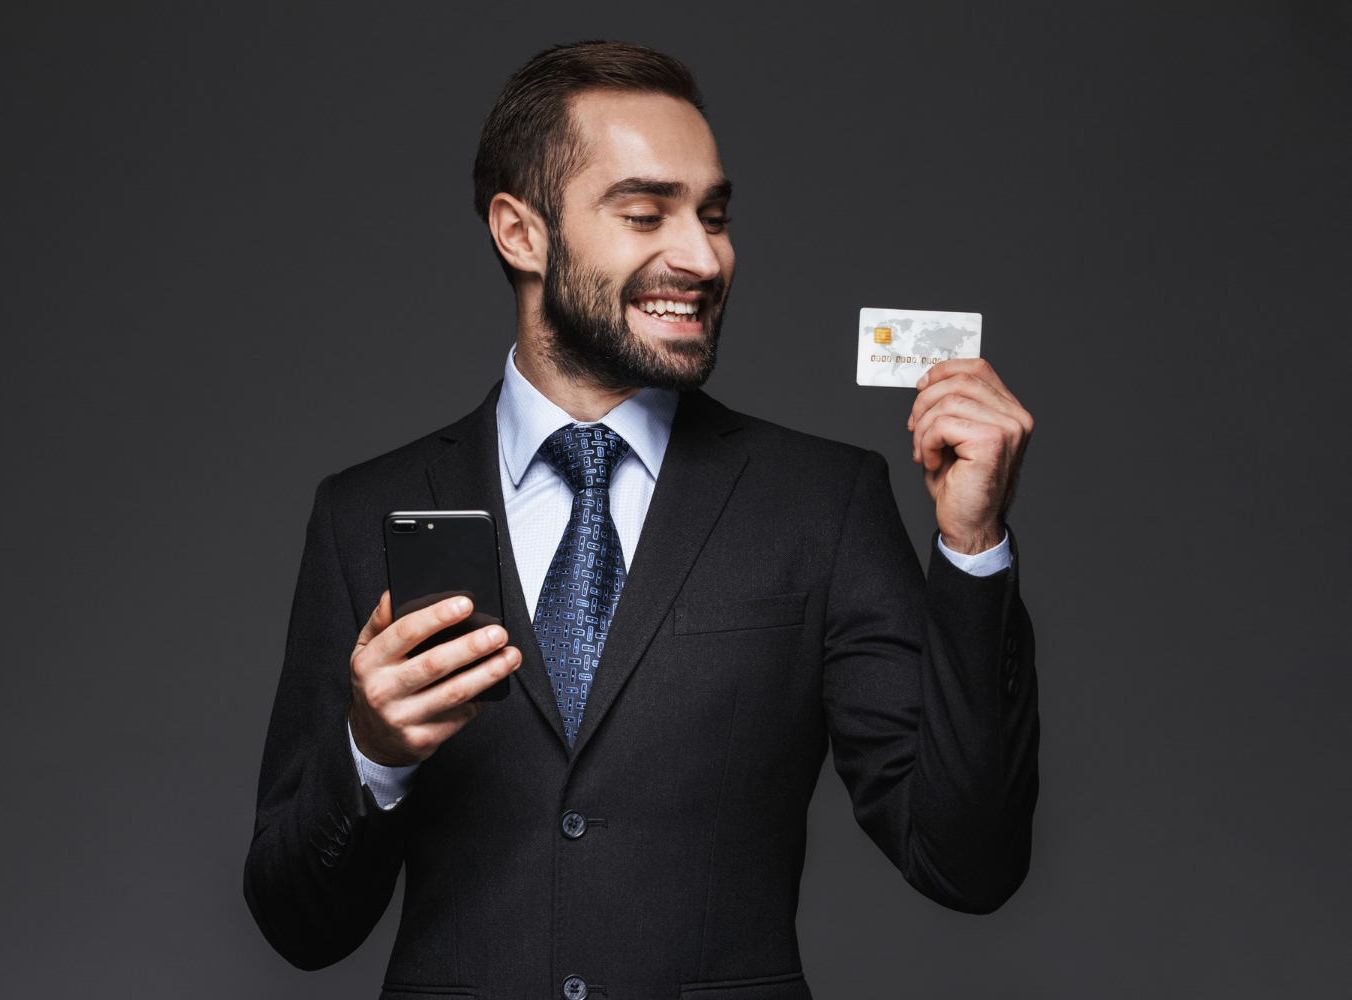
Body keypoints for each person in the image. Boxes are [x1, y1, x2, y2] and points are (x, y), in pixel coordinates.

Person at [244, 41, 1039, 1000]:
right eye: (645, 213)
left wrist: (972, 547)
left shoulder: (822, 504)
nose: (704, 257)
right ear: (520, 232)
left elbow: (967, 861)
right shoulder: (362, 513)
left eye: (715, 214)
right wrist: (370, 752)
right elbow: (297, 925)